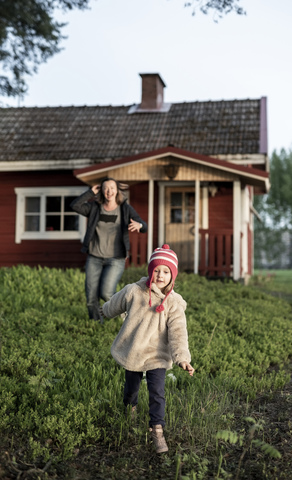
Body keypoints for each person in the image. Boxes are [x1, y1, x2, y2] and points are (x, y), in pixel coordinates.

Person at [100, 244, 194, 454]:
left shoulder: (174, 303)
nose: (161, 275)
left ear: (173, 275)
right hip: (133, 349)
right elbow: (115, 303)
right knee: (131, 387)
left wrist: (182, 358)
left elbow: (179, 332)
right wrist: (105, 311)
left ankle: (157, 430)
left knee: (157, 392)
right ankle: (130, 407)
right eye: (157, 270)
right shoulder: (134, 291)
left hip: (157, 355)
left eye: (166, 271)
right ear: (151, 270)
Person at [70, 177, 147, 321]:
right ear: (101, 191)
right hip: (94, 257)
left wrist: (140, 226)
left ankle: (126, 317)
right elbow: (74, 205)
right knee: (91, 295)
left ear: (117, 190)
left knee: (106, 293)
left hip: (116, 259)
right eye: (105, 188)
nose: (109, 191)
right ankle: (96, 323)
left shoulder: (124, 209)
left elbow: (144, 225)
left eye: (112, 188)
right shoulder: (94, 208)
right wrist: (89, 193)